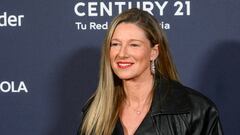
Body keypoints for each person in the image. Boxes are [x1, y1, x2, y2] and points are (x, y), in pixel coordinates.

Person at [77, 8, 223, 135]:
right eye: (115, 44)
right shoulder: (94, 113)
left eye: (134, 45)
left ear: (153, 52)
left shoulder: (196, 110)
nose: (122, 53)